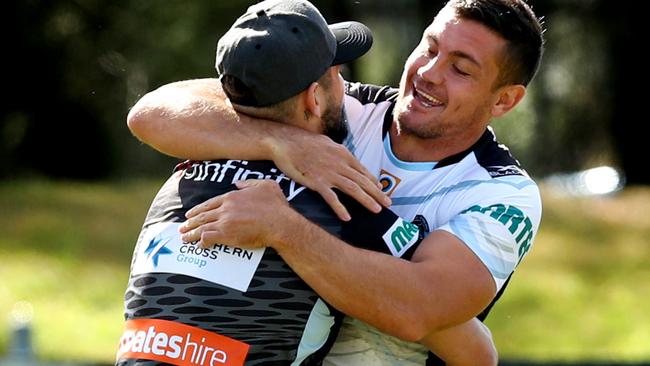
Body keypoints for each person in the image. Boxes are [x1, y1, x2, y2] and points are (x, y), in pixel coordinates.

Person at [128, 0, 545, 364]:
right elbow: (153, 113)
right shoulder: (337, 107)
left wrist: (285, 229)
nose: (429, 73)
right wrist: (285, 143)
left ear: (504, 100)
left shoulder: (502, 193)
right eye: (430, 47)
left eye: (460, 69)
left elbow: (417, 309)